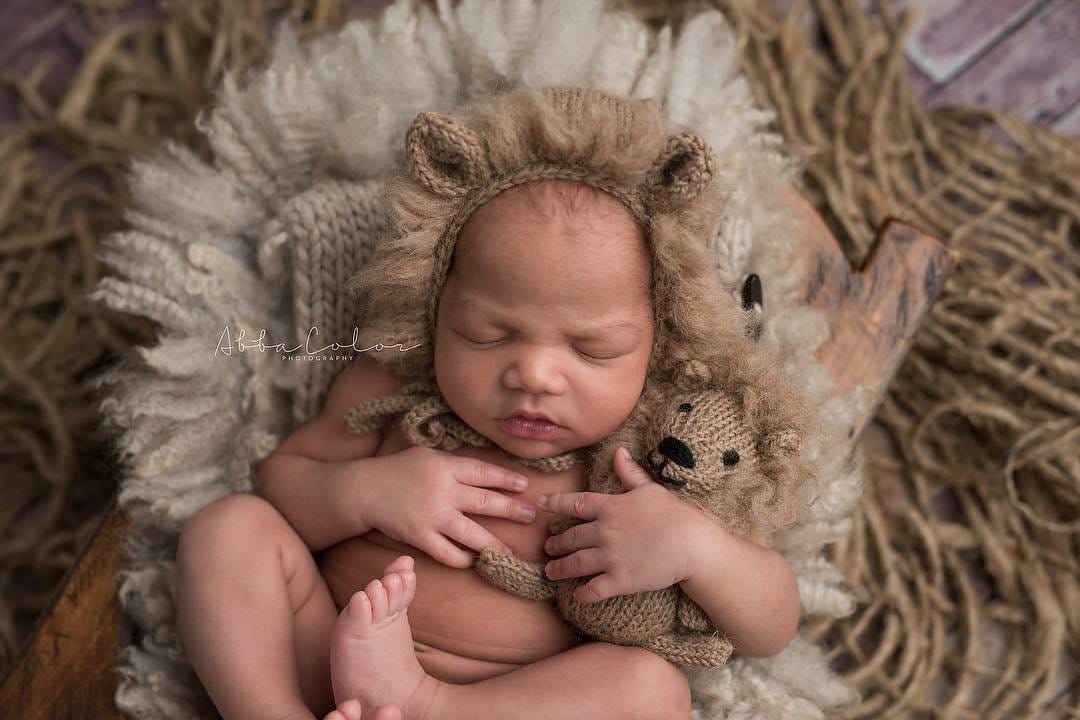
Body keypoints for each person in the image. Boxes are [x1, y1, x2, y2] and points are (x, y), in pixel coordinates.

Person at [173, 86, 807, 720]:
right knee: (228, 530)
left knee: (651, 688)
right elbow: (280, 486)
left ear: (659, 341)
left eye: (592, 350)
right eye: (488, 335)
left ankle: (428, 705)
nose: (534, 374)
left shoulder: (654, 450)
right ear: (434, 303)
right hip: (326, 663)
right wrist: (366, 491)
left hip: (505, 703)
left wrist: (699, 549)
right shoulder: (393, 386)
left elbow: (771, 626)